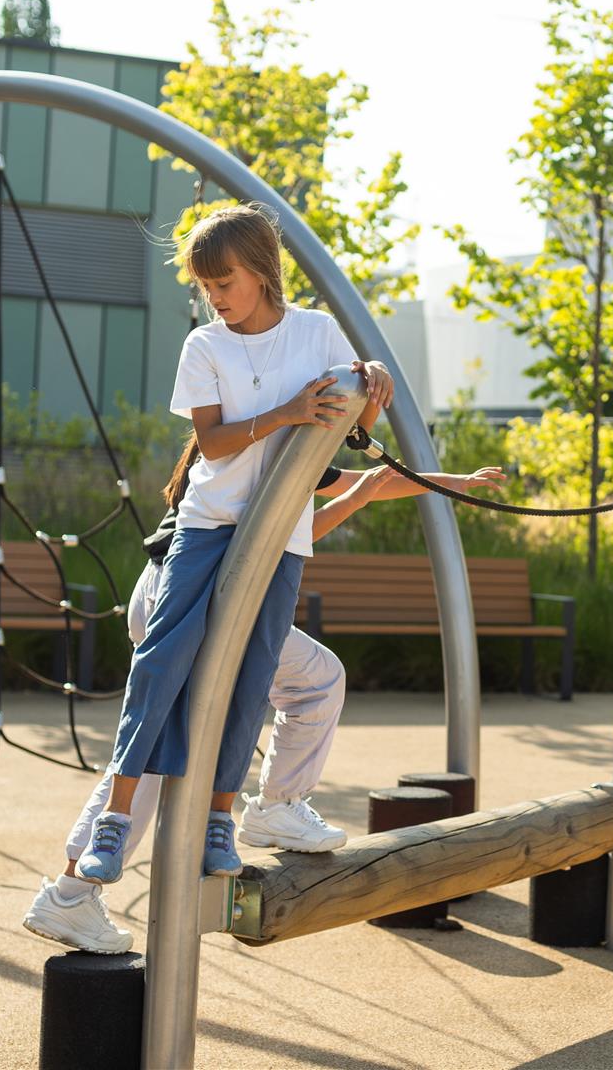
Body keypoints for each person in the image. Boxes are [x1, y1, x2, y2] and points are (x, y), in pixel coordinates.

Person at [23, 388, 505, 954]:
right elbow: (319, 509)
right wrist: (397, 486)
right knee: (316, 681)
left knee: (160, 744)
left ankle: (72, 891)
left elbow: (349, 493)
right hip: (206, 597)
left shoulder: (268, 444)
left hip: (164, 592)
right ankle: (273, 806)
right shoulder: (272, 445)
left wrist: (451, 482)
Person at [68, 200, 392, 891]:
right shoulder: (205, 345)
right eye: (206, 287)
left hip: (282, 535)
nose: (215, 299)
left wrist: (372, 385)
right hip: (211, 523)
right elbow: (212, 441)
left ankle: (222, 819)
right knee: (162, 663)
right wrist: (284, 412)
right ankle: (114, 823)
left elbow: (356, 424)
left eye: (225, 283)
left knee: (253, 677)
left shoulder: (317, 333)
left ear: (264, 273)